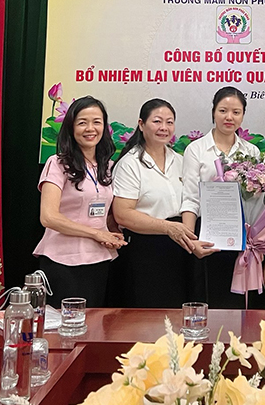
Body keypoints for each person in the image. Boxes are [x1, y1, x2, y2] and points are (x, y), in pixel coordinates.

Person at [34, 96, 126, 307]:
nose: (90, 129)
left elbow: (107, 214)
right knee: (64, 324)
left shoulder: (109, 167)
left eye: (97, 122)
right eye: (82, 122)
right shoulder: (57, 163)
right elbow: (48, 217)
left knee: (94, 323)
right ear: (71, 127)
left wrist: (112, 232)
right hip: (62, 260)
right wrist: (95, 233)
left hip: (99, 259)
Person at [111, 99, 203, 308]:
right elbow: (122, 214)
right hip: (145, 251)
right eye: (157, 121)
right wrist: (168, 227)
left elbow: (191, 201)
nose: (164, 128)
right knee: (148, 315)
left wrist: (188, 237)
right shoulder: (130, 164)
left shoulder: (180, 161)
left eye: (169, 122)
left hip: (180, 249)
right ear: (141, 124)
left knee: (179, 313)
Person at [181, 87, 265, 308]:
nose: (229, 117)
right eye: (223, 111)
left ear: (243, 115)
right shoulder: (196, 150)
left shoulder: (252, 152)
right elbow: (190, 198)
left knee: (239, 306)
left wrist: (258, 241)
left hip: (242, 237)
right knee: (208, 301)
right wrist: (192, 241)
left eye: (236, 112)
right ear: (213, 112)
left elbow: (256, 202)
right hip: (206, 236)